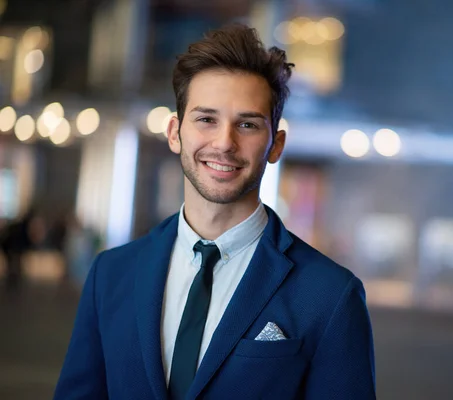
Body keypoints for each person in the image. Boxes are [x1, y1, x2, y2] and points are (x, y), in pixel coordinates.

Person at [54, 24, 376, 400]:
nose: (224, 143)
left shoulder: (330, 295)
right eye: (206, 119)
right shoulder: (110, 275)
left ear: (276, 144)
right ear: (175, 133)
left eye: (248, 124)